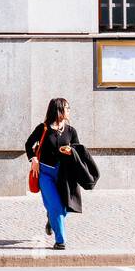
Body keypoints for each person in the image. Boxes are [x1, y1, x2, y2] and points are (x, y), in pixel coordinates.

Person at [24, 97, 99, 250]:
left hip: (64, 174)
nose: (69, 110)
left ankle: (51, 220)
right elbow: (28, 143)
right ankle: (60, 241)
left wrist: (71, 150)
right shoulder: (43, 128)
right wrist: (33, 159)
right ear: (59, 110)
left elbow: (78, 150)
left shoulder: (71, 131)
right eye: (67, 108)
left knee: (64, 207)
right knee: (56, 206)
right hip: (45, 173)